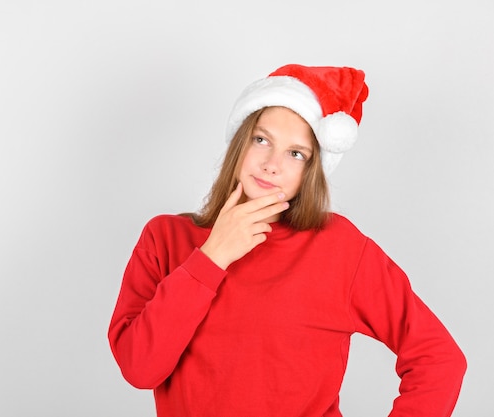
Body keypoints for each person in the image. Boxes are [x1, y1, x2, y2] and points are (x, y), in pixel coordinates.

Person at [108, 64, 467, 416]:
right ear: (239, 143)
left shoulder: (340, 247)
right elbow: (140, 370)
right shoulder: (165, 238)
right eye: (261, 140)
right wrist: (212, 257)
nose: (271, 164)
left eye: (296, 153)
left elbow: (438, 359)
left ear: (312, 170)